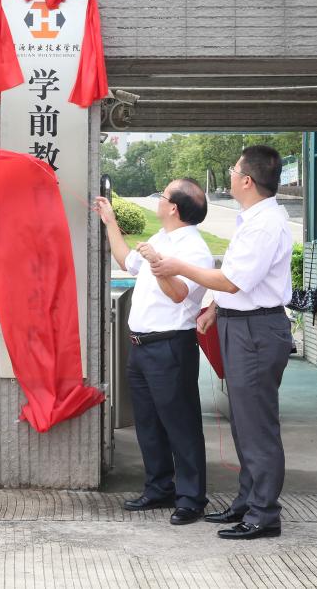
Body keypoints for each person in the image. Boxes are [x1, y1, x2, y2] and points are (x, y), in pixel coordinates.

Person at [148, 144, 294, 540]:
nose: (229, 174)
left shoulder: (264, 224)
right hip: (241, 324)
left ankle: (264, 514)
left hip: (255, 331)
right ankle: (248, 500)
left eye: (233, 169)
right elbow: (239, 283)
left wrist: (178, 266)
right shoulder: (254, 219)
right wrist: (214, 307)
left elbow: (231, 281)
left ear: (246, 180)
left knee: (257, 424)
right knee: (244, 423)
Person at [95, 178, 213, 526]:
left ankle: (191, 498)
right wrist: (110, 221)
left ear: (173, 207)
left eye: (163, 195)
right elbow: (126, 261)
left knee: (181, 424)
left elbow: (179, 294)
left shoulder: (194, 249)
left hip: (171, 346)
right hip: (142, 345)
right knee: (148, 423)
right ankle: (159, 487)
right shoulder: (162, 238)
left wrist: (159, 263)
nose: (159, 199)